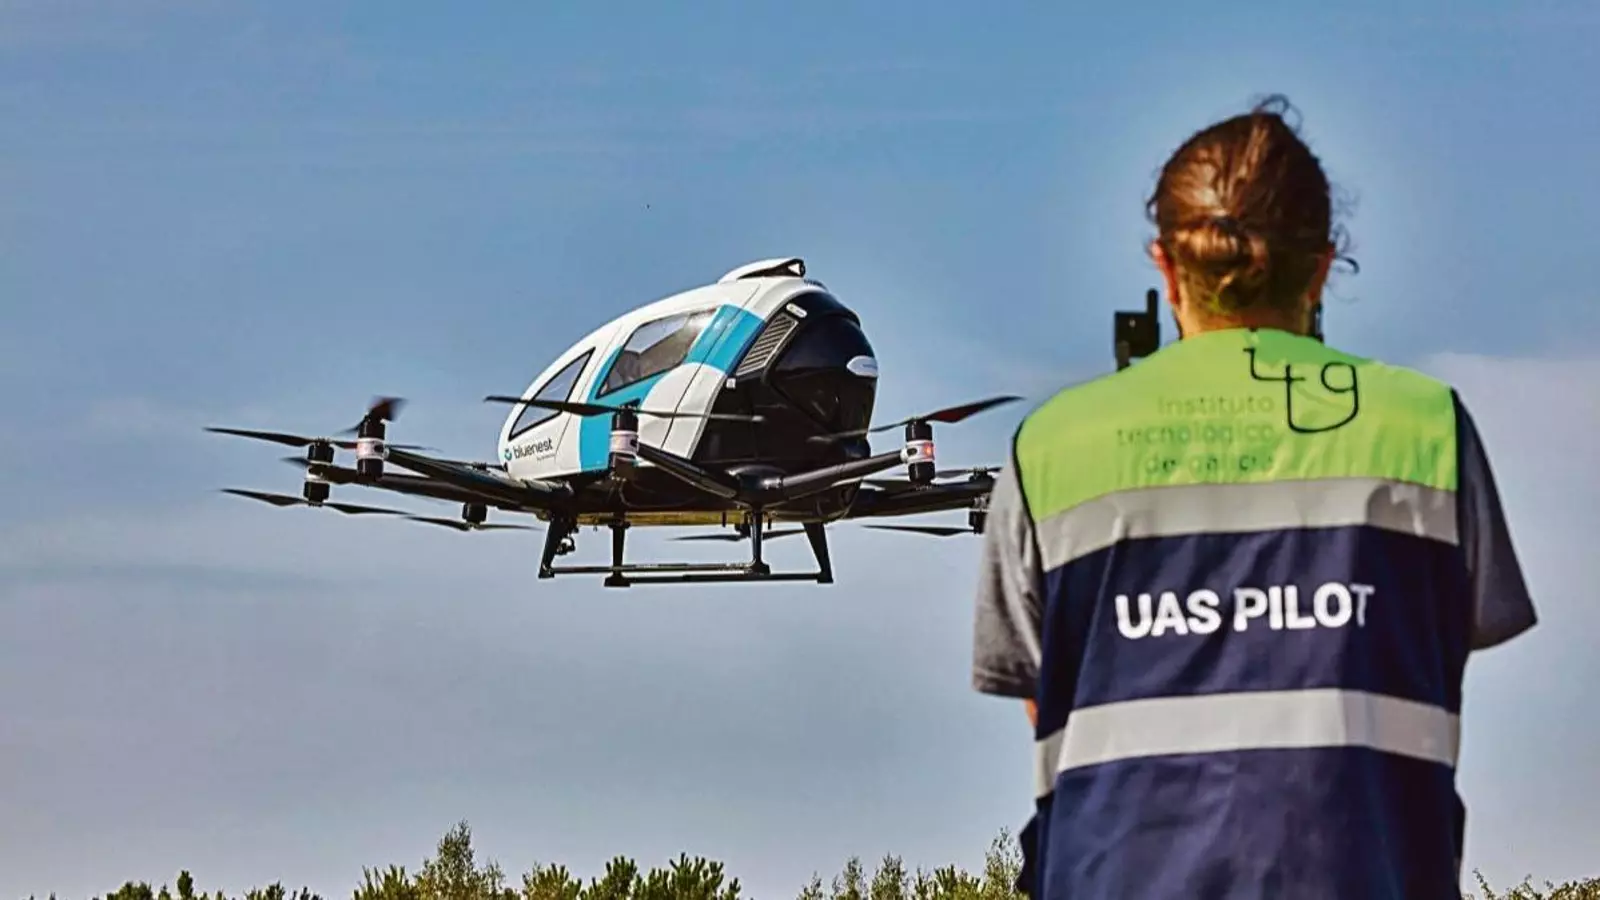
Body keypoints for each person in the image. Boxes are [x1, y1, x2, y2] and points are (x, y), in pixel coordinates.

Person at [971, 95, 1537, 900]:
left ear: (1167, 266)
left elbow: (1044, 697)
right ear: (1323, 266)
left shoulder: (1051, 449)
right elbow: (1438, 651)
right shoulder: (1429, 432)